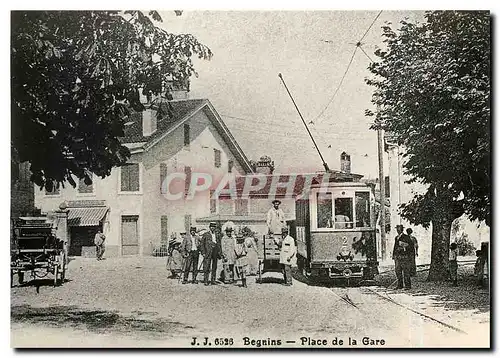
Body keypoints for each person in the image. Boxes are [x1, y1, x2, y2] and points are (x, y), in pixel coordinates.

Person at [392, 224, 414, 290]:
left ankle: (407, 286)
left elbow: (411, 247)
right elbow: (395, 247)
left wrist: (403, 248)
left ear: (402, 230)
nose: (398, 230)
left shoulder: (406, 237)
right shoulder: (396, 237)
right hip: (398, 257)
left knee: (406, 271)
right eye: (397, 229)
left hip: (404, 257)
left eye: (399, 229)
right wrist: (394, 255)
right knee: (398, 271)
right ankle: (400, 285)